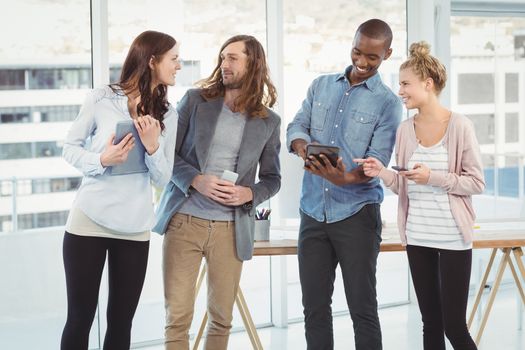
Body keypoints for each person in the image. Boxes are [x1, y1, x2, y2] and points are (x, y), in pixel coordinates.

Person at [153, 34, 281, 350]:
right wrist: (196, 180)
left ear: (253, 64)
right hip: (185, 221)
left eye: (233, 58)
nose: (224, 64)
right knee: (178, 317)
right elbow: (167, 155)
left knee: (222, 318)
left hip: (230, 229)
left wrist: (249, 194)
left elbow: (273, 179)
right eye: (223, 57)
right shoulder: (196, 101)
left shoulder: (269, 121)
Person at [355, 41, 484, 350]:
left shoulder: (460, 126)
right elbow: (404, 185)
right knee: (431, 324)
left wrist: (432, 177)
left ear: (427, 84)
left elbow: (476, 183)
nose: (399, 90)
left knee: (454, 326)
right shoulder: (404, 130)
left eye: (405, 84)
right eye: (399, 83)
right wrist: (381, 172)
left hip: (453, 237)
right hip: (417, 237)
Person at [60, 30, 180, 350]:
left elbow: (162, 180)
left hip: (134, 226)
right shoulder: (101, 98)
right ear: (152, 61)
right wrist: (102, 159)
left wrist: (153, 147)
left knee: (121, 321)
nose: (178, 66)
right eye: (174, 59)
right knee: (80, 317)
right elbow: (70, 149)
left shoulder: (169, 113)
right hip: (89, 219)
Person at [287, 19, 402, 350]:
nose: (362, 62)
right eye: (357, 51)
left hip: (357, 214)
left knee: (362, 310)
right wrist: (303, 148)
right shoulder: (321, 85)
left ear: (387, 54)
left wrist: (345, 178)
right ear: (351, 44)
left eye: (372, 57)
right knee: (314, 310)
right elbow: (297, 125)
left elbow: (375, 162)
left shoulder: (388, 103)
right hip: (312, 211)